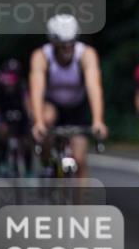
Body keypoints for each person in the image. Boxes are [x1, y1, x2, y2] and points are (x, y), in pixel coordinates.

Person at [30, 14, 108, 179]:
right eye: (62, 45)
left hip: (77, 107)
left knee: (79, 160)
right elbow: (37, 90)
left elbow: (94, 87)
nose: (67, 48)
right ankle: (47, 163)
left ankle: (80, 205)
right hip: (52, 104)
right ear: (53, 43)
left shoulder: (86, 54)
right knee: (47, 119)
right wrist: (38, 122)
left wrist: (98, 120)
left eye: (71, 43)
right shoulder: (41, 56)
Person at [0, 59, 33, 176]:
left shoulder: (22, 86)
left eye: (12, 76)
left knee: (27, 141)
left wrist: (31, 119)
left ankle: (28, 170)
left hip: (21, 115)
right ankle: (2, 160)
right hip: (3, 114)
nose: (8, 81)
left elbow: (28, 104)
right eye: (6, 76)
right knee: (1, 132)